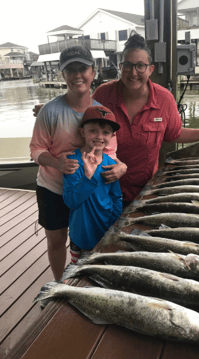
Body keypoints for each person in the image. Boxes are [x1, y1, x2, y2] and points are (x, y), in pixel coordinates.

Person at [33, 32, 199, 206]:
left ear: (150, 69)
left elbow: (174, 134)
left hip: (144, 188)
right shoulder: (104, 94)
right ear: (121, 67)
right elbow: (83, 110)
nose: (133, 72)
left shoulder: (164, 99)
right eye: (128, 65)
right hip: (104, 187)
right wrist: (49, 108)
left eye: (140, 66)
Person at [30, 45, 127, 281]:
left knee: (89, 237)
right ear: (62, 75)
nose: (77, 75)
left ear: (93, 72)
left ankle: (86, 279)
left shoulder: (102, 114)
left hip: (88, 190)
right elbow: (36, 149)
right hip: (53, 188)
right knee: (56, 241)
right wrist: (57, 163)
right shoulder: (50, 111)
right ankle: (58, 283)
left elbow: (109, 152)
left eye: (82, 68)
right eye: (70, 70)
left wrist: (121, 166)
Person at [63, 105, 122, 264]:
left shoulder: (110, 164)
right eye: (93, 130)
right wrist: (88, 176)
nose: (99, 136)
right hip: (80, 233)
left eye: (106, 132)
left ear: (112, 136)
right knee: (78, 272)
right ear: (82, 132)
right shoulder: (72, 163)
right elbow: (71, 201)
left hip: (105, 229)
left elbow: (116, 198)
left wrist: (113, 225)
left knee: (101, 267)